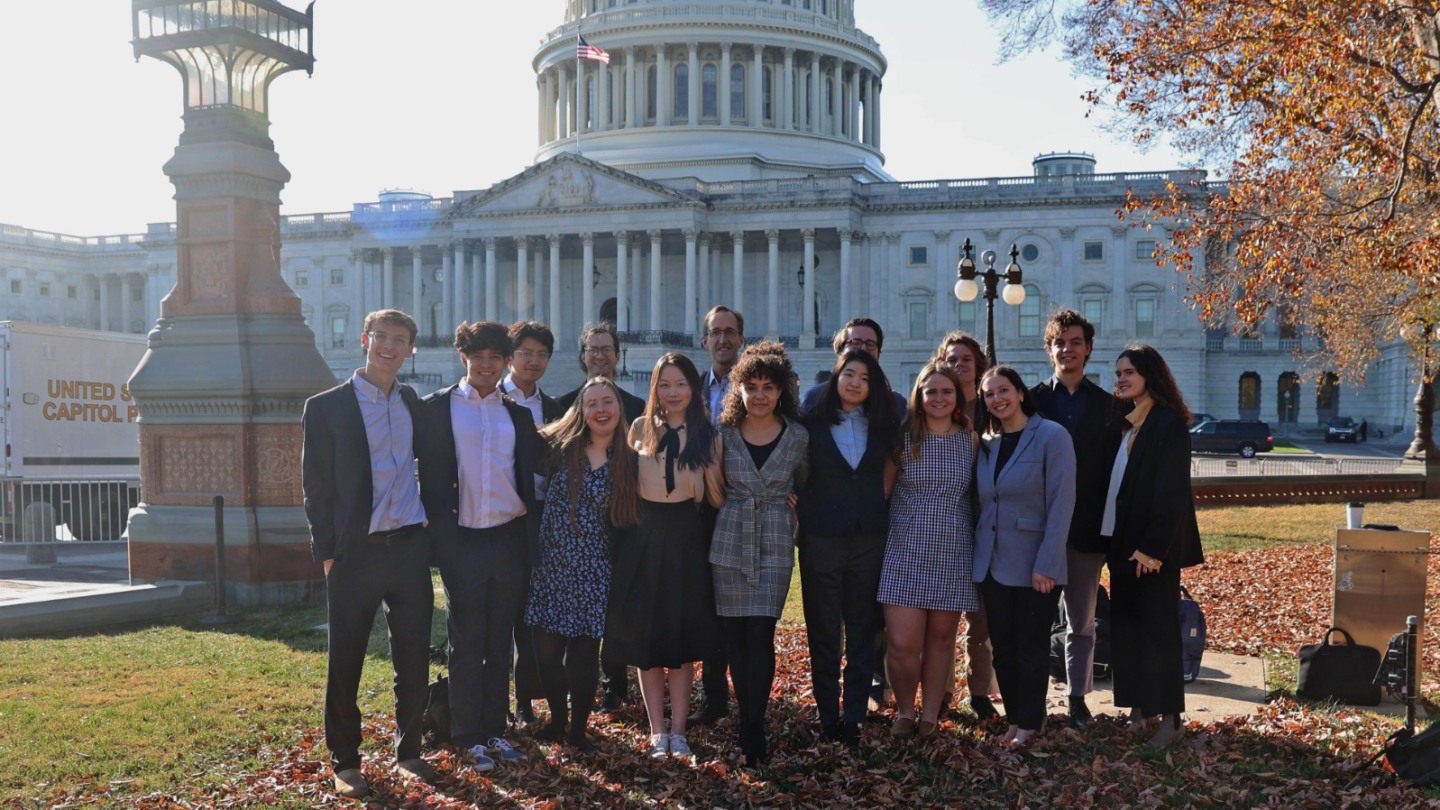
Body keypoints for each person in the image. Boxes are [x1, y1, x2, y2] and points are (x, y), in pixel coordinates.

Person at [301, 309, 434, 799]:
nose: (390, 347)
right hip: (355, 552)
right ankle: (345, 759)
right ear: (365, 340)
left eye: (401, 340)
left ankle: (409, 750)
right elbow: (315, 486)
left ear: (410, 349)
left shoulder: (412, 403)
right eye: (382, 337)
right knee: (347, 658)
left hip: (409, 548)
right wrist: (328, 553)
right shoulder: (326, 407)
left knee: (413, 654)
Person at [417, 320, 544, 773]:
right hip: (462, 540)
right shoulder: (435, 409)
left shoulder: (518, 415)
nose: (487, 365)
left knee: (500, 641)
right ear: (463, 358)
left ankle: (495, 729)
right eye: (478, 356)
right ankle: (466, 734)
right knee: (466, 641)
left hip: (509, 539)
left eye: (495, 357)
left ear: (506, 361)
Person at [605, 353, 723, 762]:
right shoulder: (639, 428)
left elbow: (715, 496)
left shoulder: (708, 434)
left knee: (681, 639)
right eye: (665, 384)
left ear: (693, 388)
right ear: (655, 388)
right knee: (647, 638)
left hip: (687, 536)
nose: (673, 393)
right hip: (643, 535)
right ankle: (657, 730)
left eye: (681, 384)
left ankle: (680, 730)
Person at [524, 376, 639, 753]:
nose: (601, 409)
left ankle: (577, 729)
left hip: (595, 568)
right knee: (545, 653)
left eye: (608, 402)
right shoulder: (559, 448)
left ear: (619, 408)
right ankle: (557, 718)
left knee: (584, 656)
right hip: (552, 565)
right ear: (581, 410)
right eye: (592, 403)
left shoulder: (629, 460)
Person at [1101, 344, 1204, 748]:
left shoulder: (1167, 424)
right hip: (1121, 542)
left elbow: (1171, 492)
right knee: (1127, 629)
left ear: (1150, 375)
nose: (1121, 379)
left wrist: (1152, 549)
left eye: (1129, 372)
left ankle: (1172, 718)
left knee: (1158, 633)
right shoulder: (1129, 423)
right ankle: (1140, 708)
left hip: (1150, 551)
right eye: (1118, 374)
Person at [712, 342, 810, 765]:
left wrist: (794, 506)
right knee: (736, 637)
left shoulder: (799, 436)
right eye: (751, 387)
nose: (760, 395)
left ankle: (756, 720)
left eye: (768, 387)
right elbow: (712, 487)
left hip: (773, 536)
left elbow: (806, 484)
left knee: (761, 633)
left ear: (781, 391)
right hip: (730, 536)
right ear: (739, 390)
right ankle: (744, 719)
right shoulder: (724, 435)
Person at [797, 349, 899, 746]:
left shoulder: (885, 426)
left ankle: (854, 717)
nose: (855, 382)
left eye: (865, 378)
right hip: (820, 539)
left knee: (861, 630)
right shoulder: (809, 425)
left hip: (867, 538)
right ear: (835, 378)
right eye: (848, 374)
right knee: (823, 630)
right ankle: (826, 716)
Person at [973, 365, 1077, 747]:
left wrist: (1047, 563)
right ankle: (1015, 719)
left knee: (1030, 648)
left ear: (1019, 392)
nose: (997, 399)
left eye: (1003, 390)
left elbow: (1061, 504)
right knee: (1003, 648)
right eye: (988, 394)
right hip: (992, 565)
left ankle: (1031, 722)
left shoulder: (1052, 436)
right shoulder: (988, 443)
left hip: (1036, 567)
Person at [878, 360, 978, 740]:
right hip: (904, 549)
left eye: (946, 391)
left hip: (953, 550)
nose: (938, 397)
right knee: (903, 643)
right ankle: (905, 710)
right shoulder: (903, 440)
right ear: (919, 397)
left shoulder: (969, 440)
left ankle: (930, 716)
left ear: (956, 398)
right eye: (931, 391)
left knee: (940, 641)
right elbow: (883, 495)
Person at [1028, 310, 1116, 727]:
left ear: (1088, 349)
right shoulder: (1031, 402)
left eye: (1075, 342)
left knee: (1082, 620)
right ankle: (1034, 700)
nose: (1068, 349)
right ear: (1049, 350)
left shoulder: (1108, 406)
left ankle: (1078, 698)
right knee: (1037, 619)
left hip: (1086, 531)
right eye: (1060, 342)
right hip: (1040, 531)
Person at [555, 322, 645, 712]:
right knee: (579, 610)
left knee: (617, 607)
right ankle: (577, 684)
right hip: (577, 529)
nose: (600, 355)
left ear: (618, 355)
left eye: (607, 348)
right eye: (593, 348)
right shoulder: (563, 405)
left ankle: (615, 682)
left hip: (620, 521)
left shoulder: (637, 407)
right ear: (582, 355)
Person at [501, 320, 562, 727]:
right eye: (526, 353)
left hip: (541, 521)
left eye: (541, 354)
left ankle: (533, 699)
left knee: (533, 616)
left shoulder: (555, 408)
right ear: (510, 357)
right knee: (504, 617)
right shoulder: (487, 400)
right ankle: (508, 702)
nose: (534, 361)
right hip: (498, 519)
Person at [934, 330, 997, 721]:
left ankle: (978, 693)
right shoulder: (935, 407)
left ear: (979, 365)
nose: (960, 366)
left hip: (988, 524)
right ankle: (940, 692)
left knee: (982, 618)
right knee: (939, 616)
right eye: (953, 359)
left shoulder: (995, 406)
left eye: (967, 360)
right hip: (944, 523)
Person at [690, 305, 744, 727]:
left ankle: (749, 694)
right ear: (704, 340)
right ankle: (714, 698)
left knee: (743, 608)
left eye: (730, 332)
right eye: (715, 333)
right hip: (699, 511)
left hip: (744, 508)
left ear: (740, 339)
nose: (722, 340)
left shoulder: (758, 386)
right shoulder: (689, 387)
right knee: (706, 606)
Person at [800, 318, 906, 414]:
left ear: (878, 353)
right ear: (840, 351)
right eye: (855, 342)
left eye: (870, 344)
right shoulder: (815, 399)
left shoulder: (896, 405)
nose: (863, 349)